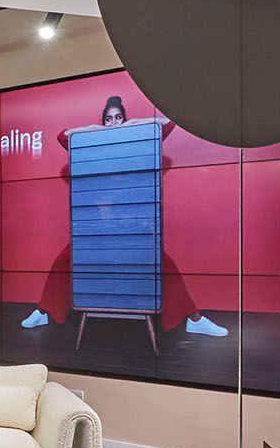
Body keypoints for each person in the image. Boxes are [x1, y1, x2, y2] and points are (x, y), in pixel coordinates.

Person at [18, 94, 229, 338]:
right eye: (109, 119)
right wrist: (99, 129)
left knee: (163, 264)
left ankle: (194, 319)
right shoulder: (95, 148)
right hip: (100, 227)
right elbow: (63, 136)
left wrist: (130, 126)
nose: (114, 122)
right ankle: (43, 313)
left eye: (119, 117)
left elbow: (166, 124)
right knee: (66, 261)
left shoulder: (135, 146)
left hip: (131, 224)